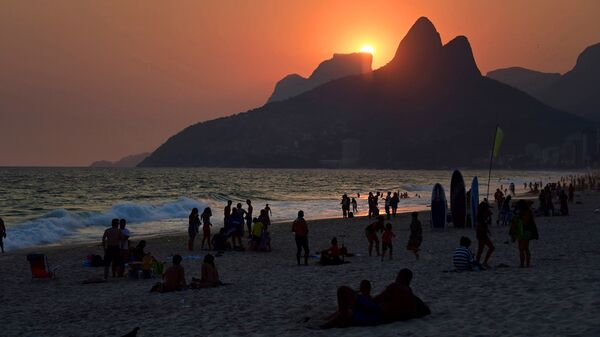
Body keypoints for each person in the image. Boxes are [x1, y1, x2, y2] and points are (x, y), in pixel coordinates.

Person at [510, 200, 539, 268]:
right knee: (524, 248)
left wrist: (517, 219)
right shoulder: (523, 212)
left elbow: (525, 222)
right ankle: (524, 264)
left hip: (526, 232)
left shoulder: (526, 212)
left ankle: (524, 264)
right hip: (522, 231)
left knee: (523, 248)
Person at [475, 202, 495, 268]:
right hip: (481, 234)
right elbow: (479, 226)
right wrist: (485, 230)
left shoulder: (484, 215)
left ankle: (478, 262)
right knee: (491, 247)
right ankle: (484, 262)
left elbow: (488, 223)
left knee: (481, 249)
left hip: (483, 234)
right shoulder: (480, 215)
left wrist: (489, 216)